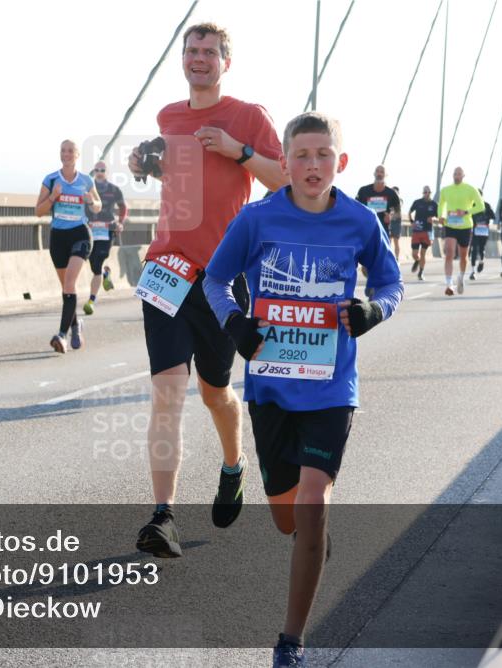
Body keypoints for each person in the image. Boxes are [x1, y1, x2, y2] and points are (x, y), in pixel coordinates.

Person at [204, 111, 403, 668]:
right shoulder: (256, 218)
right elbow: (215, 280)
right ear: (284, 161)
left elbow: (390, 284)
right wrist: (235, 323)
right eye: (301, 156)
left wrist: (371, 311)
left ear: (340, 162)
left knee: (313, 503)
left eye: (323, 155)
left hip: (331, 388)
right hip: (270, 388)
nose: (313, 166)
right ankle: (310, 541)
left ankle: (290, 642)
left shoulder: (362, 222)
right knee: (288, 518)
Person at [127, 22, 287, 558]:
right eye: (192, 51)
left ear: (226, 62)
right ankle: (163, 516)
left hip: (222, 278)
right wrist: (144, 164)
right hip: (167, 269)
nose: (199, 59)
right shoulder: (168, 117)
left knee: (215, 392)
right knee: (168, 391)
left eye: (209, 52)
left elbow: (283, 181)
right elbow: (177, 174)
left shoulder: (248, 116)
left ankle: (233, 466)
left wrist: (237, 150)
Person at [36, 140, 101, 352]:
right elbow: (39, 211)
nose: (66, 154)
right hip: (58, 237)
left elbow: (98, 206)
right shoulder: (51, 179)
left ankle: (62, 335)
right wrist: (53, 197)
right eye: (63, 150)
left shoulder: (85, 180)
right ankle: (75, 324)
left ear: (77, 155)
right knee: (66, 288)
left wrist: (91, 201)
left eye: (70, 151)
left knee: (70, 283)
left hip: (80, 234)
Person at [83, 160, 127, 315]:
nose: (99, 172)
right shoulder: (87, 189)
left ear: (107, 172)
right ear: (94, 172)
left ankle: (91, 301)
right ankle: (105, 273)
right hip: (89, 232)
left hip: (107, 231)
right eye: (97, 170)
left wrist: (120, 223)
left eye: (102, 169)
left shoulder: (114, 190)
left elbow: (123, 207)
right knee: (94, 265)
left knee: (99, 260)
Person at [437, 167, 485, 295]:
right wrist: (440, 216)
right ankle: (449, 284)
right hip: (450, 225)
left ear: (463, 175)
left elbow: (481, 206)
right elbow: (441, 204)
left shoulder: (470, 189)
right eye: (455, 174)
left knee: (463, 256)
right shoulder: (446, 190)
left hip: (465, 226)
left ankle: (461, 277)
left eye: (459, 174)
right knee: (449, 252)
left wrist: (466, 212)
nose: (456, 176)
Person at [355, 165, 400, 248]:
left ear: (386, 175)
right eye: (377, 171)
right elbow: (355, 208)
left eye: (382, 172)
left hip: (383, 232)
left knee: (382, 259)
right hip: (366, 230)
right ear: (374, 173)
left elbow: (398, 212)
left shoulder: (392, 193)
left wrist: (391, 216)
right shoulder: (363, 190)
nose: (379, 173)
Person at [408, 185, 438, 280]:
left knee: (423, 253)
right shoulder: (417, 202)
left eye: (428, 192)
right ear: (423, 193)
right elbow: (410, 212)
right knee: (415, 254)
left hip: (427, 231)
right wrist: (411, 222)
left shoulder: (434, 204)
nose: (426, 194)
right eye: (425, 192)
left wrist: (433, 219)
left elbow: (439, 217)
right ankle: (417, 261)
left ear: (430, 193)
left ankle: (421, 272)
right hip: (417, 231)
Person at [468, 189, 495, 280]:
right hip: (474, 230)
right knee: (474, 249)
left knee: (481, 249)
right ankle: (472, 271)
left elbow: (493, 216)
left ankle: (481, 261)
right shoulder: (471, 205)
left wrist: (485, 218)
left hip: (483, 230)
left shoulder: (486, 205)